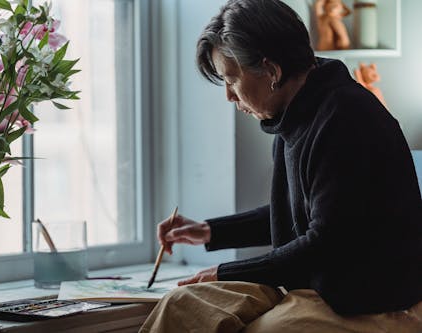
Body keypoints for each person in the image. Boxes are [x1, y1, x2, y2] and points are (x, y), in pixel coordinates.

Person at [139, 0, 422, 332]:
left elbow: (327, 241)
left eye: (231, 80)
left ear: (271, 71)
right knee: (182, 305)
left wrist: (226, 272)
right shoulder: (296, 116)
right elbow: (296, 211)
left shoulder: (346, 118)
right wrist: (211, 231)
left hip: (374, 301)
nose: (229, 96)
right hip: (318, 286)